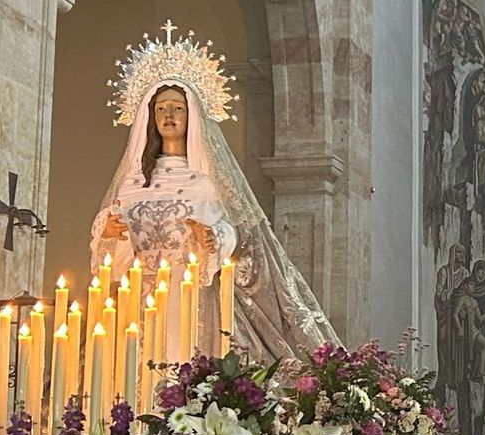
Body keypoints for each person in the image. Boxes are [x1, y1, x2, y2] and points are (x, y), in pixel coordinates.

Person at [93, 54, 335, 361]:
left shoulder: (208, 181)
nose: (169, 115)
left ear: (191, 115)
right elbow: (113, 252)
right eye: (161, 108)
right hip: (140, 298)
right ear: (150, 117)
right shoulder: (133, 183)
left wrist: (216, 237)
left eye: (178, 108)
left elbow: (238, 234)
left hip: (195, 294)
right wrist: (109, 232)